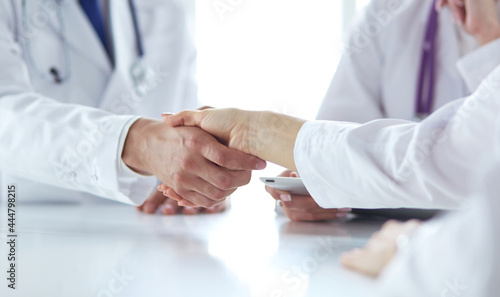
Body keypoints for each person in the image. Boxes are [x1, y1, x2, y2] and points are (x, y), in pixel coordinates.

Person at [0, 0, 265, 214]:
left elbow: (179, 107)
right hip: (27, 227)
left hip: (145, 232)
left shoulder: (166, 7)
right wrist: (135, 143)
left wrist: (200, 175)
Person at [266, 0, 500, 221]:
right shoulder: (387, 11)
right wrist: (316, 182)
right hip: (382, 239)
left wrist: (490, 37)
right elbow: (333, 146)